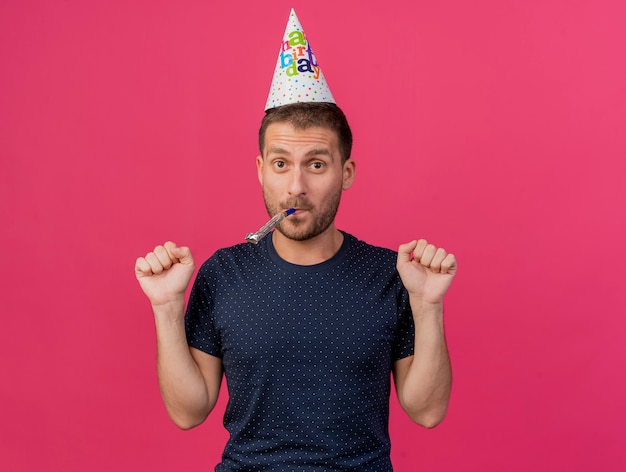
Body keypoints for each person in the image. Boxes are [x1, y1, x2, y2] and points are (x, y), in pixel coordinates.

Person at [134, 10, 456, 471]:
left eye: (317, 165)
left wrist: (428, 306)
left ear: (346, 174)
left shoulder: (394, 275)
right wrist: (166, 308)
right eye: (281, 163)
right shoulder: (223, 273)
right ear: (261, 170)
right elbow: (188, 411)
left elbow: (427, 410)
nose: (296, 187)